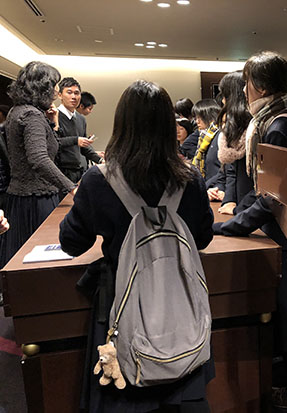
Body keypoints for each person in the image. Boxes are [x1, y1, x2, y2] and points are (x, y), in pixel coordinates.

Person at [59, 80, 214, 412]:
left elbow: (72, 243)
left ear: (122, 124)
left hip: (121, 300)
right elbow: (202, 238)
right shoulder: (190, 177)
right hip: (180, 303)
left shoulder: (99, 180)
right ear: (168, 126)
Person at [212, 51, 287, 406]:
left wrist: (232, 226)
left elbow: (271, 197)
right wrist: (238, 215)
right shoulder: (283, 120)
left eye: (247, 83)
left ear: (260, 87)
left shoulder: (278, 127)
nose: (244, 90)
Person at [0, 61, 76, 268]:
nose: (56, 90)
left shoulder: (17, 111)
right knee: (39, 263)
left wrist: (52, 123)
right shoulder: (32, 115)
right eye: (54, 85)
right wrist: (72, 188)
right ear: (42, 87)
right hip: (36, 199)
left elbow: (44, 147)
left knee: (19, 259)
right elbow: (39, 159)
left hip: (20, 197)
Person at [215, 71, 255, 216]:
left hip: (252, 209)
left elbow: (263, 184)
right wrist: (229, 200)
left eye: (225, 95)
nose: (223, 101)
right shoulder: (234, 127)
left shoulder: (254, 127)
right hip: (241, 207)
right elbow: (230, 169)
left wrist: (238, 209)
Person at [56, 77, 102, 183]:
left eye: (76, 93)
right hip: (61, 172)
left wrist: (99, 160)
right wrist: (76, 140)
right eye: (69, 92)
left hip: (80, 171)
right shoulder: (53, 115)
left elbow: (84, 147)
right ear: (60, 95)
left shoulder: (81, 119)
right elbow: (53, 143)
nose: (73, 97)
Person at [190, 99, 225, 199]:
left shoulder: (221, 136)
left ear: (209, 115)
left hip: (218, 191)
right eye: (196, 117)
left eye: (200, 117)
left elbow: (224, 170)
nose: (197, 121)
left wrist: (203, 187)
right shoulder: (205, 137)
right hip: (209, 190)